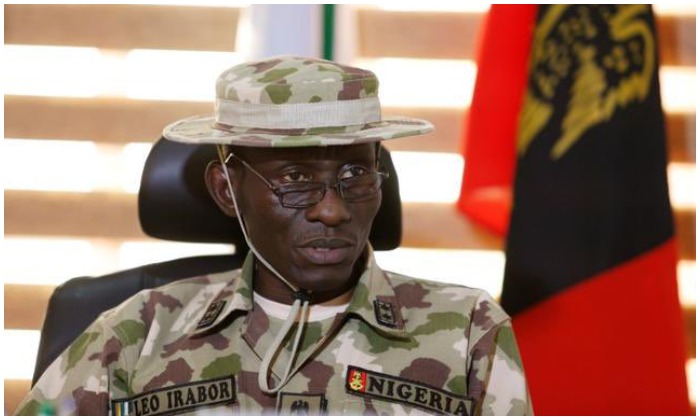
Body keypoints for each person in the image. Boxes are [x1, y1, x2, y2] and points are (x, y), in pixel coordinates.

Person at [16, 55, 532, 415]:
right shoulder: (137, 333)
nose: (332, 210)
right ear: (226, 190)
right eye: (296, 178)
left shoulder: (467, 329)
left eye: (355, 173)